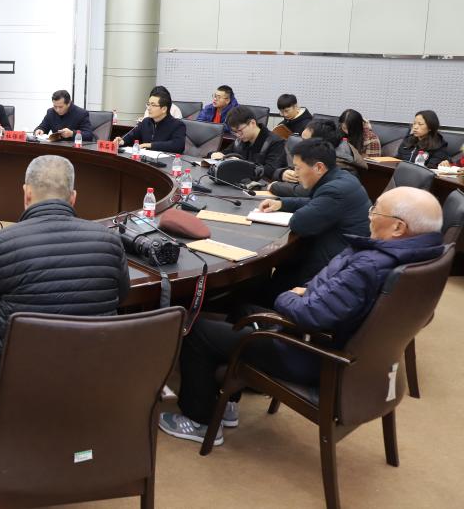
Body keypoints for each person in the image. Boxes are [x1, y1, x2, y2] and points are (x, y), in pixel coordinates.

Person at [160, 187, 444, 445]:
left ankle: (199, 420)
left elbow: (310, 315)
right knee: (243, 310)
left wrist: (288, 295)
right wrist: (308, 293)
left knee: (198, 331)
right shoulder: (425, 256)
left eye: (376, 210)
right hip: (350, 351)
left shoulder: (369, 266)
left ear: (398, 227)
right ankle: (228, 403)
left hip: (314, 355)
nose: (369, 215)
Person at [0, 155, 129, 382]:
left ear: (26, 193)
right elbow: (122, 296)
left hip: (19, 381)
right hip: (94, 376)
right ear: (73, 198)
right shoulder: (111, 241)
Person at [257, 139, 371, 301]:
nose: (295, 173)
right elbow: (315, 203)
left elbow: (299, 223)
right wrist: (281, 203)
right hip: (341, 254)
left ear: (319, 167)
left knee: (269, 284)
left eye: (298, 168)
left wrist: (296, 210)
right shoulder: (342, 177)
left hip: (328, 270)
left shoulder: (334, 190)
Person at [268, 119, 366, 197]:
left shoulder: (343, 166)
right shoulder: (318, 155)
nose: (301, 144)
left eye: (305, 141)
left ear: (320, 143)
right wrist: (282, 173)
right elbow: (279, 171)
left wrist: (276, 187)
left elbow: (310, 191)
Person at [210, 105, 287, 179]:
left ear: (252, 123)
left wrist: (242, 165)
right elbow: (226, 153)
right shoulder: (240, 141)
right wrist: (215, 154)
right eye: (234, 132)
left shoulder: (276, 142)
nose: (238, 135)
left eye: (240, 130)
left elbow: (271, 171)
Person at [118, 86, 186, 154]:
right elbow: (132, 135)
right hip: (145, 158)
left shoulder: (177, 125)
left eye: (153, 105)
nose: (149, 108)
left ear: (164, 109)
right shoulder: (146, 122)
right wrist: (122, 141)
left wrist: (150, 145)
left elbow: (178, 145)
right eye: (148, 104)